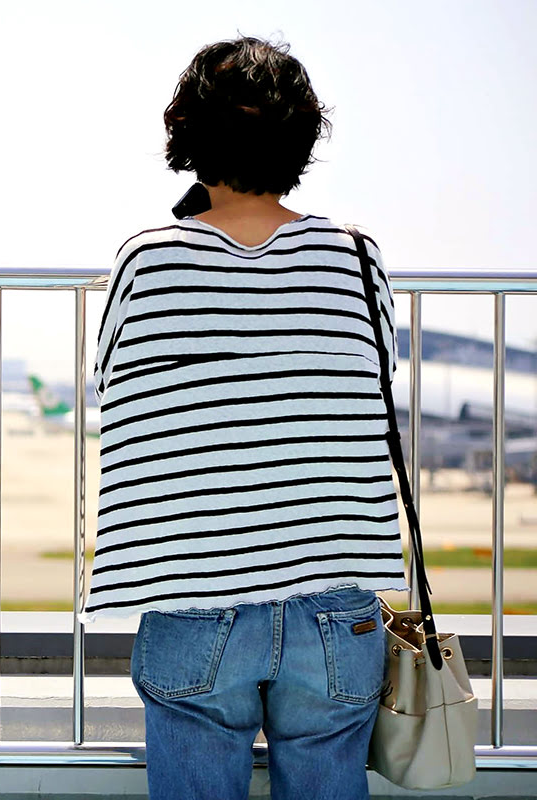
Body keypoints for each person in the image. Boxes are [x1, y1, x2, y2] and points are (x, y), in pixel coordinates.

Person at [75, 35, 410, 800]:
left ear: (187, 134)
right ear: (302, 139)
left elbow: (114, 384)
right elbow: (373, 379)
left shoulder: (151, 258)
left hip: (195, 588)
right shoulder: (357, 257)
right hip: (337, 594)